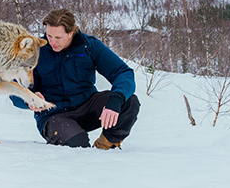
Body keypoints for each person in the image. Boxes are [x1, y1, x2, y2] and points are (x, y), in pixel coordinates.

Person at [9, 8, 140, 149]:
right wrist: (30, 99)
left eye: (58, 38)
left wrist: (116, 99)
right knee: (77, 144)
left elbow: (122, 72)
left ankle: (107, 144)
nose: (52, 42)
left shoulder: (89, 46)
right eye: (49, 36)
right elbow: (15, 89)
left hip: (87, 106)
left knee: (128, 101)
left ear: (71, 33)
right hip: (54, 115)